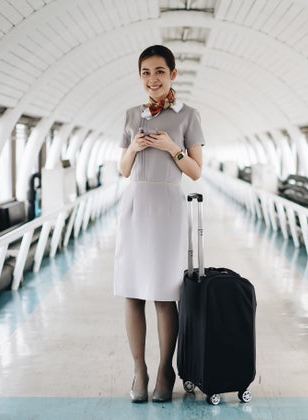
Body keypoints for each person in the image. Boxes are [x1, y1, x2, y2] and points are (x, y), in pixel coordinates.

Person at [114, 45, 205, 403]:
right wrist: (134, 148)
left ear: (173, 75)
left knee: (166, 295)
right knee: (132, 291)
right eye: (146, 73)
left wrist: (172, 148)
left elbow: (196, 172)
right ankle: (140, 370)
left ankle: (166, 370)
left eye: (159, 72)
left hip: (168, 206)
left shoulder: (188, 116)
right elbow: (123, 171)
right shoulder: (130, 115)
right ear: (140, 77)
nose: (152, 79)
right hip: (135, 204)